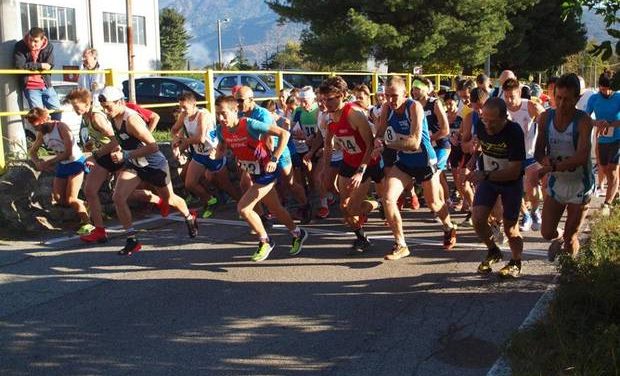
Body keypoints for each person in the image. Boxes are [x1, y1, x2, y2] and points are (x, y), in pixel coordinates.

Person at [98, 86, 198, 255]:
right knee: (118, 197)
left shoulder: (131, 120)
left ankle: (189, 216)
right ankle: (132, 239)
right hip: (135, 164)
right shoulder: (114, 117)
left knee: (170, 199)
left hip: (154, 164)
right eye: (104, 107)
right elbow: (119, 140)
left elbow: (153, 146)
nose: (106, 111)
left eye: (108, 107)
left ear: (120, 102)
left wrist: (126, 154)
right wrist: (105, 153)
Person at [215, 95, 308, 262]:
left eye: (224, 114)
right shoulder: (221, 129)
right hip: (254, 171)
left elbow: (284, 134)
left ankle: (265, 241)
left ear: (235, 110)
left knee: (243, 208)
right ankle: (298, 233)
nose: (220, 118)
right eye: (217, 114)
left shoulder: (249, 124)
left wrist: (275, 158)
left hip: (267, 171)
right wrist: (216, 154)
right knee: (276, 208)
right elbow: (221, 148)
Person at [66, 88, 164, 243]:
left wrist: (96, 155)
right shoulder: (86, 116)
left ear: (87, 103)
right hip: (106, 154)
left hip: (115, 154)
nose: (74, 109)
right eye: (72, 105)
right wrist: (93, 144)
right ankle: (99, 231)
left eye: (76, 105)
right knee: (90, 190)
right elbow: (104, 138)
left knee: (123, 194)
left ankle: (160, 200)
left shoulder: (97, 117)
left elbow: (115, 140)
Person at [375, 75, 457, 260]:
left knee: (434, 204)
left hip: (425, 161)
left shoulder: (415, 107)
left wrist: (389, 143)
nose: (390, 100)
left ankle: (449, 226)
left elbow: (414, 142)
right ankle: (401, 244)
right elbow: (380, 133)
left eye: (394, 95)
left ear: (405, 93)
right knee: (388, 198)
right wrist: (378, 142)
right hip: (404, 162)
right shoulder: (387, 107)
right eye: (387, 95)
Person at [320, 76, 383, 255]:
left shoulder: (354, 114)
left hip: (366, 163)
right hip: (348, 161)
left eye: (330, 99)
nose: (326, 103)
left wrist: (361, 171)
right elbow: (327, 145)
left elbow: (370, 144)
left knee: (353, 208)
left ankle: (379, 204)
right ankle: (361, 238)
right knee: (343, 206)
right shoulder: (329, 117)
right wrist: (326, 171)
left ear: (343, 95)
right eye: (324, 100)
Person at [536, 73, 595, 260]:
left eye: (567, 99)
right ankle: (559, 237)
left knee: (571, 237)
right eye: (558, 98)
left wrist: (550, 167)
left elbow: (581, 156)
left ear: (577, 99)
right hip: (557, 183)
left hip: (580, 184)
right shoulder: (545, 117)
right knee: (546, 232)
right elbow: (538, 151)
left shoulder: (583, 121)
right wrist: (545, 162)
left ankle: (570, 271)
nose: (561, 104)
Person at [469, 98, 526, 278]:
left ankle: (516, 261)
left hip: (510, 182)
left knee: (510, 227)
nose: (488, 125)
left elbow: (514, 171)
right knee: (477, 219)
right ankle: (493, 250)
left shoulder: (514, 132)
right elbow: (480, 143)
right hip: (489, 178)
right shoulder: (480, 125)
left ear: (504, 118)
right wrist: (473, 158)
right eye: (485, 119)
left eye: (492, 121)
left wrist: (484, 174)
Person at [236, 86, 311, 223]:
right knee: (245, 182)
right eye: (236, 101)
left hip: (277, 150)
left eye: (241, 101)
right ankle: (260, 215)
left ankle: (305, 206)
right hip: (258, 154)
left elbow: (269, 140)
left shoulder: (262, 114)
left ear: (251, 99)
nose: (238, 104)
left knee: (290, 183)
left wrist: (273, 159)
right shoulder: (241, 115)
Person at [171, 92, 239, 218]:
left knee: (225, 184)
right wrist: (175, 141)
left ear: (194, 104)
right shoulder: (184, 115)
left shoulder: (203, 114)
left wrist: (182, 143)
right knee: (190, 183)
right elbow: (174, 130)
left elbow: (200, 138)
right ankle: (210, 200)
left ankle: (241, 205)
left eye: (185, 107)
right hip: (199, 154)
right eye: (180, 107)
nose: (182, 110)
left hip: (214, 153)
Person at [26, 107, 91, 234]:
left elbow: (68, 152)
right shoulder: (41, 133)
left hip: (76, 162)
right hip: (62, 164)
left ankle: (88, 223)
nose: (36, 129)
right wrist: (37, 162)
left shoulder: (61, 127)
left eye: (37, 126)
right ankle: (89, 205)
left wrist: (48, 162)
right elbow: (32, 151)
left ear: (44, 119)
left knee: (72, 199)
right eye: (34, 127)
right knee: (59, 198)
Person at [502, 78, 545, 232]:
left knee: (532, 188)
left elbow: (546, 122)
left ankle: (535, 210)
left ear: (519, 93)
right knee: (515, 189)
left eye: (512, 96)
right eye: (506, 96)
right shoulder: (502, 109)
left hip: (530, 154)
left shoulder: (531, 106)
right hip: (511, 156)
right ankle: (525, 214)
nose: (509, 100)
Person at [586, 72, 620, 216]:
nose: (606, 92)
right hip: (602, 140)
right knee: (604, 169)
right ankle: (615, 191)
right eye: (603, 88)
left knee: (612, 171)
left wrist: (610, 123)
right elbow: (585, 119)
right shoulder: (593, 98)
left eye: (608, 89)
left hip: (618, 138)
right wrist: (596, 123)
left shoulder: (618, 97)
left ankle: (607, 204)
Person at [14, 27, 61, 120]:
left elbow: (50, 65)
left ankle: (55, 131)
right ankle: (41, 134)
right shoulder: (20, 45)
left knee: (57, 110)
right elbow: (20, 65)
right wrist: (41, 65)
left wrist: (37, 66)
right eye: (30, 40)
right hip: (31, 87)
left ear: (43, 40)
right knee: (38, 116)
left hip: (46, 85)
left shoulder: (49, 46)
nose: (32, 44)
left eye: (35, 41)